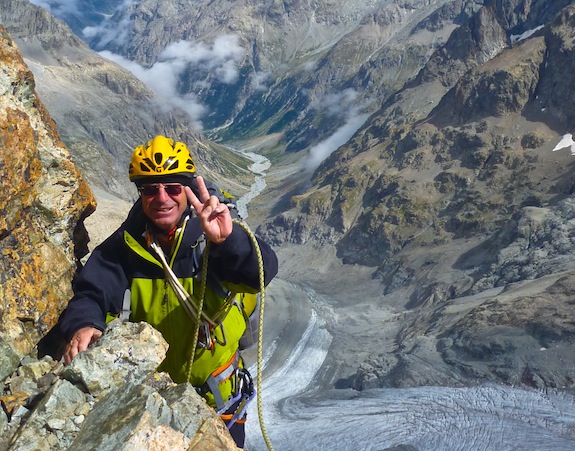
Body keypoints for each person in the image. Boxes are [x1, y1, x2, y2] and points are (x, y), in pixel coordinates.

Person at [56, 135, 279, 448]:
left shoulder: (215, 235)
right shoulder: (126, 247)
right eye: (150, 189)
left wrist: (227, 242)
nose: (162, 198)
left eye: (173, 187)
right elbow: (92, 293)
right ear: (141, 194)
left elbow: (259, 273)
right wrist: (83, 324)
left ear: (187, 189)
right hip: (153, 404)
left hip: (220, 401)